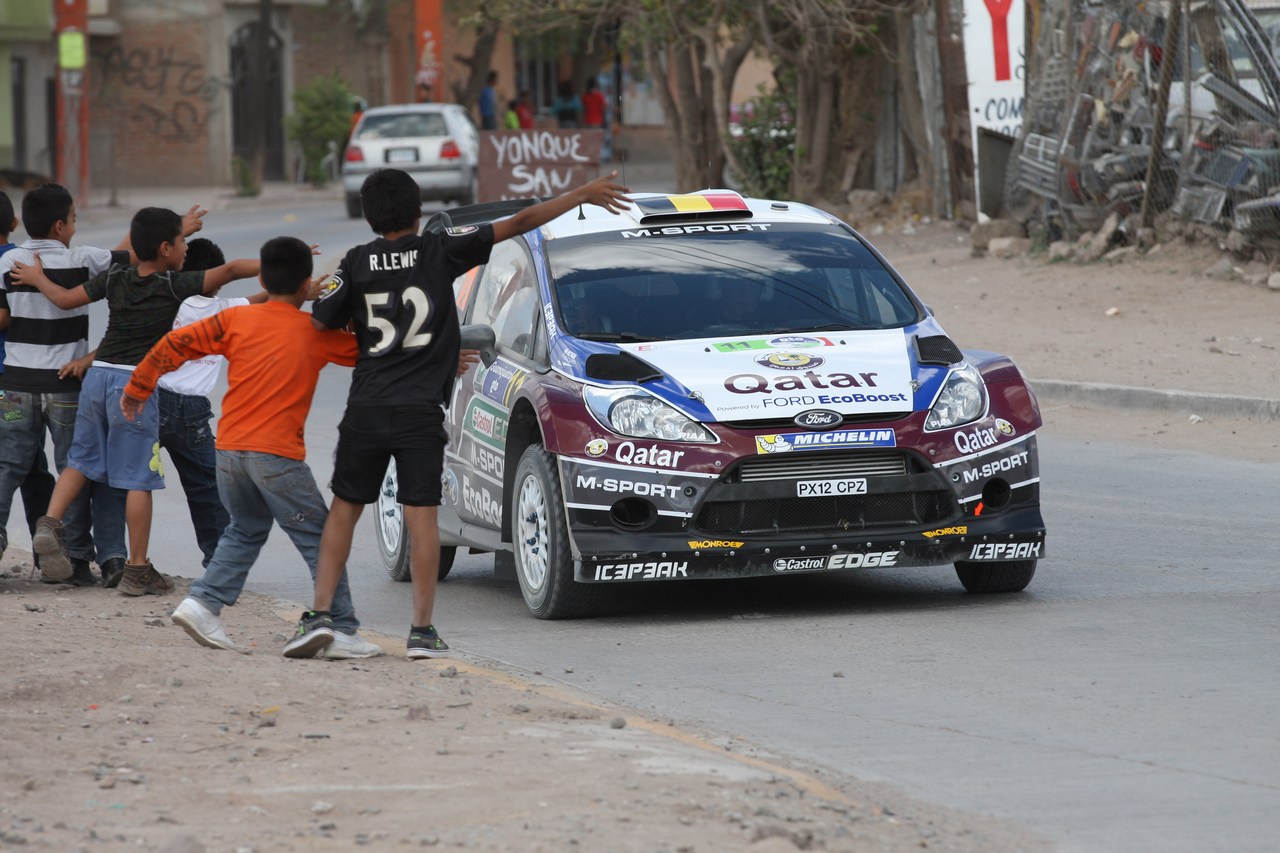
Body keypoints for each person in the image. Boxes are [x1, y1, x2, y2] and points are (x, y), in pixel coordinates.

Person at [283, 166, 631, 661]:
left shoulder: (355, 262)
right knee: (422, 516)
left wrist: (361, 339)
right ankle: (422, 632)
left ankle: (319, 616)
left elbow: (319, 321)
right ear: (418, 208)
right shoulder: (439, 248)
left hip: (367, 405)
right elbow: (523, 219)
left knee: (345, 509)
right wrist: (582, 194)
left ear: (368, 217)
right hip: (420, 410)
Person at [120, 236, 380, 659]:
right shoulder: (312, 331)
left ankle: (202, 605)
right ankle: (342, 627)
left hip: (230, 452)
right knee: (320, 536)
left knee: (246, 528)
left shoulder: (238, 319)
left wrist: (138, 387)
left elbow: (174, 344)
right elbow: (370, 352)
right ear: (305, 285)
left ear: (261, 277)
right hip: (276, 457)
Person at [12, 206, 257, 596]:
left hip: (97, 377)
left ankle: (50, 523)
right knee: (138, 478)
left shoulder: (116, 275)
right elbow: (228, 273)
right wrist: (279, 266)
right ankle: (137, 568)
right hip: (134, 386)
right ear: (165, 249)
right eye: (181, 242)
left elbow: (63, 299)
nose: (184, 251)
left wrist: (38, 277)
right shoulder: (173, 285)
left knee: (81, 461)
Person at [0, 184, 195, 586]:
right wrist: (181, 229)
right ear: (59, 225)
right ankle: (85, 559)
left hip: (15, 385)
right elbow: (135, 255)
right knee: (86, 468)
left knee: (6, 468)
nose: (74, 227)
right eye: (73, 220)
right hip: (69, 384)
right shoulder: (83, 259)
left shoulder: (9, 262)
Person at [158, 237, 269, 567]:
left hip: (154, 399)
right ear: (218, 280)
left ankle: (114, 557)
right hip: (192, 412)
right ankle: (219, 562)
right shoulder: (226, 309)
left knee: (128, 481)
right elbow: (260, 301)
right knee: (208, 487)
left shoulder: (168, 301)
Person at [0, 190, 56, 575]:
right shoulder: (21, 259)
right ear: (14, 223)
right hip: (16, 382)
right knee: (31, 467)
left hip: (13, 386)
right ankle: (49, 552)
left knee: (14, 465)